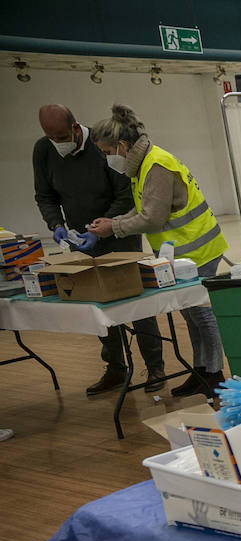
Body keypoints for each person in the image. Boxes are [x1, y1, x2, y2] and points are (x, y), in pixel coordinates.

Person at [87, 104, 226, 398]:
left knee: (201, 315)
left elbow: (152, 218)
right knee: (190, 315)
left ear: (121, 146)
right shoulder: (144, 164)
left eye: (106, 152)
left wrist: (115, 228)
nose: (106, 158)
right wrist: (115, 221)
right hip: (183, 252)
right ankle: (201, 371)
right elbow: (145, 210)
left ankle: (215, 375)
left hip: (197, 249)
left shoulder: (156, 165)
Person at [34, 105, 166, 396]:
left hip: (118, 232)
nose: (56, 141)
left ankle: (155, 366)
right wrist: (56, 224)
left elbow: (125, 193)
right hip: (81, 239)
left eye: (60, 135)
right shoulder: (44, 151)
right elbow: (45, 195)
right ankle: (116, 368)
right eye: (50, 136)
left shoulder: (102, 145)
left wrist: (107, 226)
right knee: (97, 305)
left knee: (137, 301)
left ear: (75, 128)